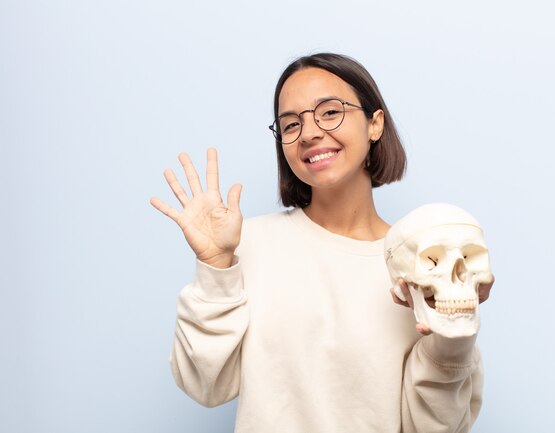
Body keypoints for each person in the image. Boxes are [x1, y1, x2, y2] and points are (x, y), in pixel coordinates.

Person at [150, 53, 493, 433]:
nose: (310, 133)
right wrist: (216, 266)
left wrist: (451, 341)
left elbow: (437, 427)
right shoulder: (245, 244)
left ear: (374, 123)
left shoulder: (424, 261)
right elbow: (206, 385)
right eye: (291, 123)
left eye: (329, 112)